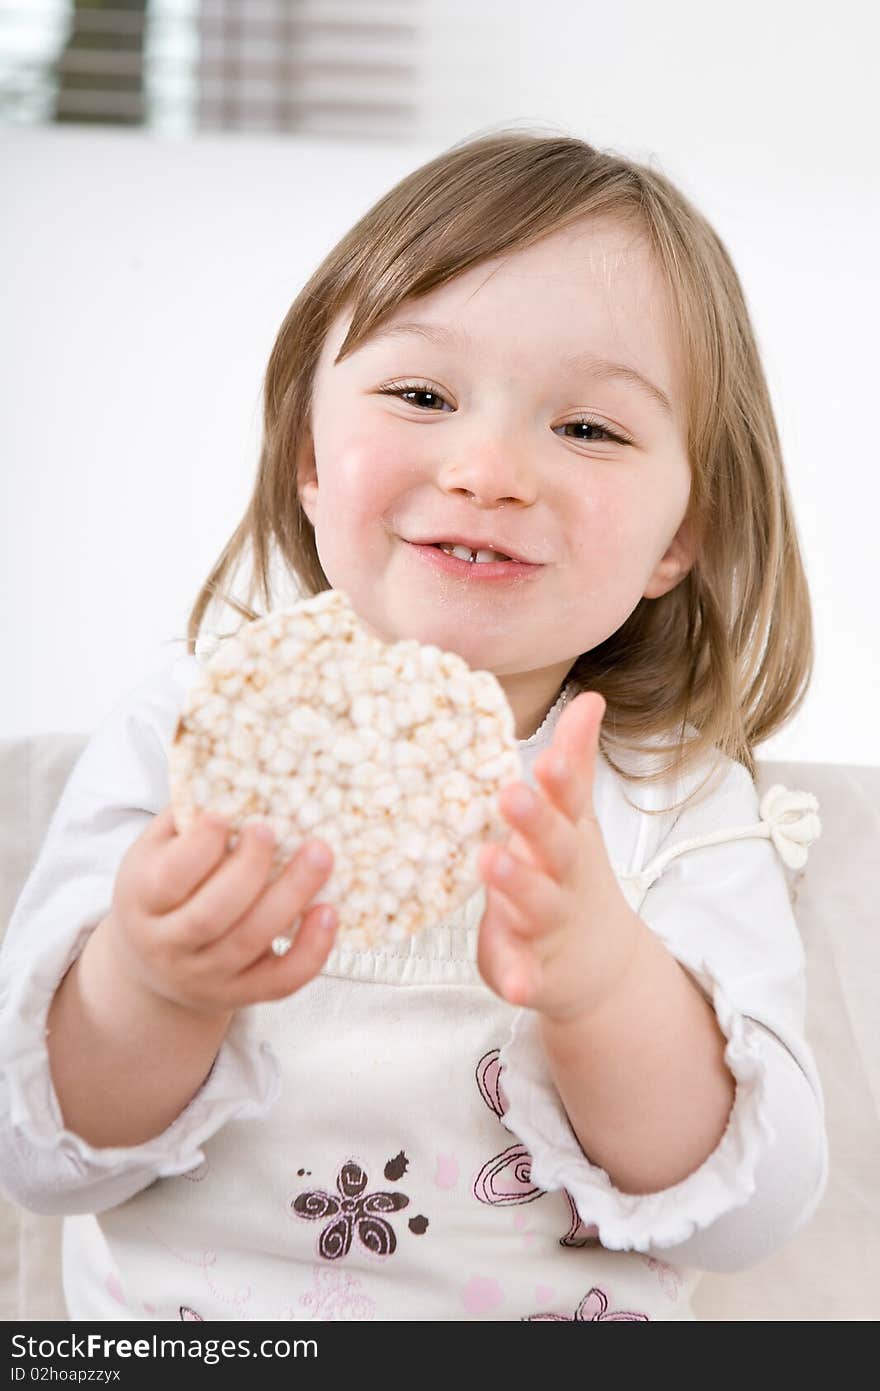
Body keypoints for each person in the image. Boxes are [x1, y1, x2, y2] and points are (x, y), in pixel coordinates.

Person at [0, 130, 826, 1322]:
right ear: (308, 459)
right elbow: (34, 1153)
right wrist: (152, 983)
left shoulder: (674, 797)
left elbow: (756, 1211)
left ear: (680, 538)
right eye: (421, 394)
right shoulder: (189, 732)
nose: (488, 466)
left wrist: (602, 986)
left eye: (588, 428)